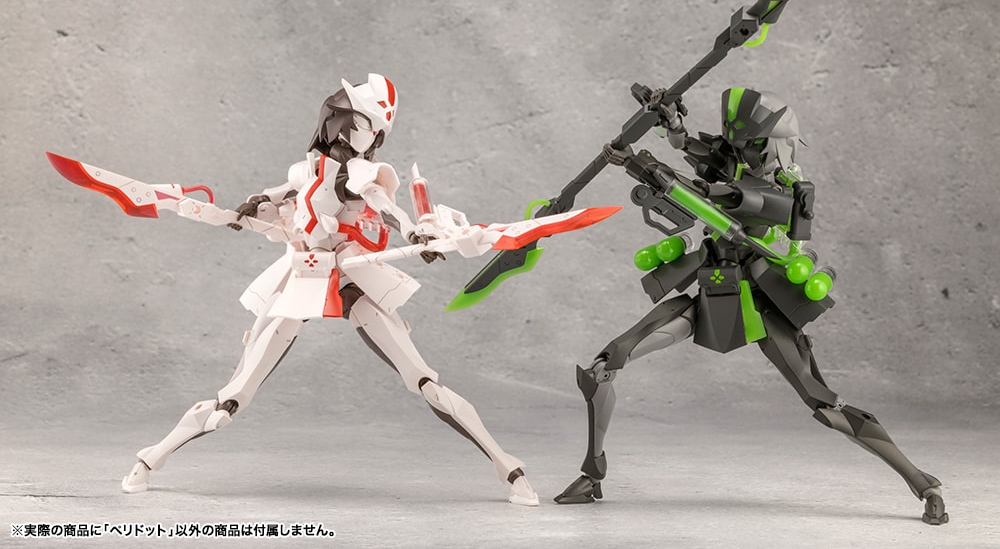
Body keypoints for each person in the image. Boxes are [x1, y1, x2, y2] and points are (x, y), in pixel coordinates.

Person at [121, 74, 539, 506]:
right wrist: (251, 207)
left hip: (351, 277)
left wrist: (415, 232)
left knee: (423, 380)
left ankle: (506, 464)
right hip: (305, 275)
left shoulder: (362, 174)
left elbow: (385, 207)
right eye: (358, 122)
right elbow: (275, 195)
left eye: (370, 128)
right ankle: (152, 457)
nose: (362, 133)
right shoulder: (307, 169)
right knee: (233, 396)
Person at [554, 87, 948, 525]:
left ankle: (922, 483)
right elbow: (697, 156)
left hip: (761, 305)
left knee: (825, 404)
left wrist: (639, 164)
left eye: (753, 145)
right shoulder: (736, 164)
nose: (741, 152)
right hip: (712, 292)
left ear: (776, 145)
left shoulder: (786, 193)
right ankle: (592, 474)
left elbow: (713, 197)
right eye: (739, 144)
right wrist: (671, 123)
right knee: (605, 364)